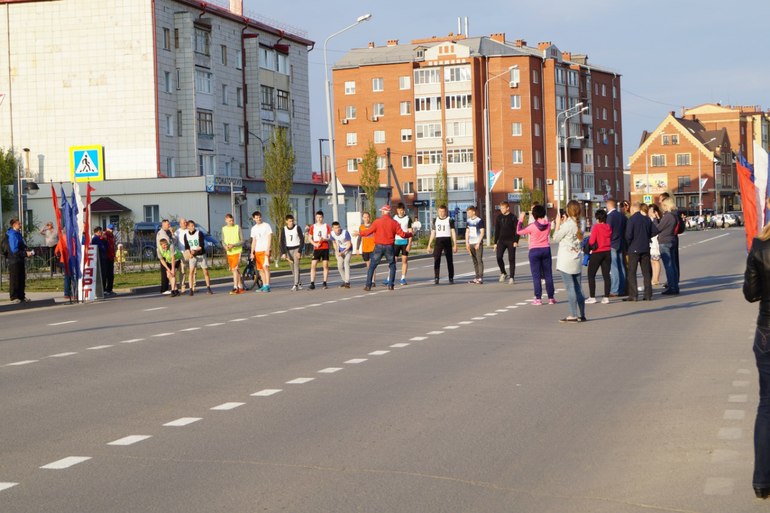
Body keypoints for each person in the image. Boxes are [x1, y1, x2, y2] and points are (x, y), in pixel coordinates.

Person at [743, 222, 770, 499]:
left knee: (767, 405)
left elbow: (750, 294)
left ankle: (762, 481)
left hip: (767, 331)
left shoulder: (760, 245)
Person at [359, 204, 413, 291]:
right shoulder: (394, 223)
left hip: (378, 246)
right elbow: (402, 234)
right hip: (389, 246)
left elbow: (368, 232)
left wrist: (360, 233)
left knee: (372, 266)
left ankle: (368, 285)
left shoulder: (377, 222)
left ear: (383, 212)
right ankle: (391, 285)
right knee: (392, 265)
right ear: (389, 212)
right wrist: (410, 234)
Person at [553, 201, 586, 322]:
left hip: (566, 260)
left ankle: (573, 314)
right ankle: (582, 314)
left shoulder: (567, 225)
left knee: (570, 288)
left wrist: (558, 224)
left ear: (568, 210)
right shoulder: (581, 223)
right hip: (576, 259)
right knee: (578, 288)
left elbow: (555, 238)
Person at [517, 205, 555, 305]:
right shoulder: (548, 225)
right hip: (546, 249)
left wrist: (521, 219)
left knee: (536, 275)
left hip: (534, 251)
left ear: (534, 215)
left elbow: (519, 231)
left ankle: (538, 299)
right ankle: (551, 298)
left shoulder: (532, 226)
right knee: (548, 274)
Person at [624, 202, 657, 301]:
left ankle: (633, 295)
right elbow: (655, 231)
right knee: (646, 272)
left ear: (633, 209)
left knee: (632, 272)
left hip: (633, 249)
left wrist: (628, 245)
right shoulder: (646, 219)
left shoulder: (631, 220)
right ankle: (648, 294)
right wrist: (646, 237)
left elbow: (628, 235)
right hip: (645, 248)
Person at [585, 208, 612, 304]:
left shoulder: (596, 227)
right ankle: (606, 297)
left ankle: (592, 297)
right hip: (607, 252)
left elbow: (592, 241)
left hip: (597, 252)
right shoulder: (608, 227)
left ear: (598, 218)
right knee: (606, 275)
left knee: (591, 274)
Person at [426, 205, 457, 285]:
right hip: (438, 240)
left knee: (449, 260)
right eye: (440, 211)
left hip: (447, 240)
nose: (441, 213)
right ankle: (436, 277)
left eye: (443, 211)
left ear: (446, 212)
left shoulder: (450, 220)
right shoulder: (435, 220)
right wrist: (429, 244)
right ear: (438, 212)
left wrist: (455, 244)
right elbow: (433, 232)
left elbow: (453, 232)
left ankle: (451, 277)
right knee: (436, 259)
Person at [6, 218, 34, 303]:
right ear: (14, 225)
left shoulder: (18, 233)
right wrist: (25, 253)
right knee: (15, 279)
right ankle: (14, 297)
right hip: (14, 260)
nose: (21, 225)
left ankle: (21, 296)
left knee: (21, 278)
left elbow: (22, 245)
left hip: (20, 259)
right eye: (19, 224)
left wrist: (28, 250)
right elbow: (14, 250)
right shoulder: (12, 234)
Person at [183, 220, 213, 295]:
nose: (193, 227)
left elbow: (201, 245)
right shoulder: (186, 235)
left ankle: (208, 288)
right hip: (192, 255)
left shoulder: (199, 233)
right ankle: (191, 289)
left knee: (205, 271)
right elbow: (187, 246)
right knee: (191, 271)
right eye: (191, 226)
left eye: (194, 225)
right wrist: (189, 253)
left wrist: (195, 251)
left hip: (200, 254)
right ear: (188, 227)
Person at [657, 197, 680, 295]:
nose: (662, 208)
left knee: (669, 266)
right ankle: (675, 286)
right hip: (672, 240)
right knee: (673, 265)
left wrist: (655, 220)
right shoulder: (675, 215)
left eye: (663, 205)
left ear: (666, 205)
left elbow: (658, 228)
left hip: (665, 241)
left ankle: (672, 287)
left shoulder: (668, 216)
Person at [494, 201, 520, 284]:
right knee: (499, 257)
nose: (501, 210)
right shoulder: (499, 217)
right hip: (501, 241)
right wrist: (495, 243)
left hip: (511, 241)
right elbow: (497, 230)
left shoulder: (513, 217)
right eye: (500, 208)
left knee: (511, 258)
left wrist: (516, 240)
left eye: (503, 208)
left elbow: (517, 230)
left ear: (507, 208)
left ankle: (512, 277)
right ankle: (503, 272)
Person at [606, 199, 627, 297]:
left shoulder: (610, 216)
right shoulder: (621, 215)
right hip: (621, 242)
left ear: (608, 205)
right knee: (621, 266)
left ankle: (615, 289)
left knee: (614, 267)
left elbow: (608, 230)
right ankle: (622, 288)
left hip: (612, 243)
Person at [249, 211, 272, 293]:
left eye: (259, 217)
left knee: (265, 267)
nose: (258, 219)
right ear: (254, 219)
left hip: (265, 250)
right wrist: (252, 252)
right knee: (260, 269)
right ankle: (264, 285)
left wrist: (268, 249)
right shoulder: (254, 228)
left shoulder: (266, 225)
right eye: (256, 218)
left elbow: (269, 237)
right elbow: (254, 241)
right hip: (257, 250)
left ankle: (267, 285)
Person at [280, 214, 305, 291]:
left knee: (296, 265)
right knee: (292, 268)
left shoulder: (297, 228)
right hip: (288, 250)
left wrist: (299, 251)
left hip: (297, 249)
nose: (291, 222)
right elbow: (282, 241)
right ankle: (299, 282)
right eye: (290, 221)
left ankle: (295, 284)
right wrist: (283, 253)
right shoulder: (284, 229)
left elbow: (302, 240)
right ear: (286, 221)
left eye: (292, 221)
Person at [390, 203, 413, 286]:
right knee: (393, 261)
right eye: (399, 210)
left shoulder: (408, 219)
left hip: (404, 242)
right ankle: (389, 278)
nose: (400, 212)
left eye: (402, 210)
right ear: (397, 210)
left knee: (404, 260)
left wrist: (409, 244)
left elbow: (410, 232)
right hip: (396, 242)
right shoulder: (394, 218)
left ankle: (403, 278)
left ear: (404, 210)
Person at [222, 213, 245, 294]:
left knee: (235, 269)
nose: (231, 222)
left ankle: (235, 287)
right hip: (229, 252)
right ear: (226, 220)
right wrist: (225, 246)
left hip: (237, 251)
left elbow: (242, 240)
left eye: (232, 220)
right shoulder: (224, 229)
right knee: (234, 270)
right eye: (229, 221)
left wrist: (234, 245)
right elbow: (223, 240)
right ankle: (240, 286)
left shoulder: (237, 227)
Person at [308, 211, 331, 290]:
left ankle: (324, 282)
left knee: (325, 265)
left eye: (320, 217)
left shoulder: (326, 226)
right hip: (317, 248)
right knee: (313, 265)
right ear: (315, 217)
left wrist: (324, 239)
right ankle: (312, 283)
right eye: (317, 217)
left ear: (323, 217)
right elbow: (309, 238)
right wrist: (314, 244)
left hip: (325, 247)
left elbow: (329, 237)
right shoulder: (313, 227)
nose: (319, 219)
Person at [465, 205, 485, 284]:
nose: (468, 214)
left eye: (469, 212)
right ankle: (476, 277)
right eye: (467, 213)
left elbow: (482, 232)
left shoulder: (479, 220)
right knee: (475, 261)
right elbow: (467, 232)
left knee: (479, 260)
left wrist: (478, 243)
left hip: (477, 243)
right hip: (471, 243)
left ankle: (480, 277)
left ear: (473, 212)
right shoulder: (468, 221)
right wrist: (467, 242)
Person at [356, 211, 377, 288]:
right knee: (368, 265)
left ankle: (373, 281)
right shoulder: (361, 227)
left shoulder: (373, 226)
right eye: (365, 217)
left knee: (372, 265)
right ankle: (370, 279)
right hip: (365, 248)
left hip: (373, 247)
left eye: (367, 217)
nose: (366, 218)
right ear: (362, 218)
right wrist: (357, 248)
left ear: (369, 217)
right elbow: (359, 238)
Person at [156, 219, 175, 295]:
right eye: (168, 224)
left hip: (166, 253)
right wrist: (171, 234)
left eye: (169, 224)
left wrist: (172, 233)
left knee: (167, 271)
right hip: (164, 254)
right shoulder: (162, 233)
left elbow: (174, 241)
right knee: (165, 271)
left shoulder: (166, 232)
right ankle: (164, 289)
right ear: (163, 224)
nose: (169, 226)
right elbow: (169, 242)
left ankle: (166, 288)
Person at [330, 221, 352, 288]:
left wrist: (343, 252)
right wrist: (336, 251)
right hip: (340, 249)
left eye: (338, 227)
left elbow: (349, 244)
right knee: (339, 266)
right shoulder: (332, 233)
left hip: (348, 249)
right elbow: (334, 243)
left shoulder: (345, 233)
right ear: (333, 229)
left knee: (346, 262)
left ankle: (347, 282)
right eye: (336, 228)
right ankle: (344, 280)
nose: (338, 229)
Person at [648, 204, 663, 286]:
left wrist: (655, 218)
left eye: (652, 210)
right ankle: (653, 278)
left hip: (656, 241)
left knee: (656, 260)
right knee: (652, 260)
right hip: (650, 242)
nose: (650, 212)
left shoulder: (657, 219)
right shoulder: (648, 218)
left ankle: (656, 279)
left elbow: (657, 228)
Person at [90, 226, 108, 293]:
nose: (101, 232)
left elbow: (107, 246)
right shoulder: (96, 239)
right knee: (102, 274)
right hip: (100, 258)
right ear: (97, 232)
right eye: (100, 231)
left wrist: (105, 240)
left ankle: (104, 288)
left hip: (103, 257)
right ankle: (102, 289)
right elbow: (102, 248)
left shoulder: (101, 238)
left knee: (104, 274)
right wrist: (103, 242)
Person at [174, 217, 188, 293]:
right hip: (181, 253)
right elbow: (174, 242)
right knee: (182, 270)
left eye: (186, 222)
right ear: (180, 224)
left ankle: (193, 286)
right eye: (184, 222)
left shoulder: (189, 230)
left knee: (192, 270)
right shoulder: (177, 232)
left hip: (189, 252)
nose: (185, 224)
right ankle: (182, 286)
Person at [103, 224, 117, 297]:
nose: (111, 230)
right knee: (105, 274)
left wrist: (114, 255)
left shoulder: (112, 236)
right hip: (106, 257)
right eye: (110, 229)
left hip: (111, 257)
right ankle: (104, 290)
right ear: (107, 229)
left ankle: (110, 289)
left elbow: (113, 247)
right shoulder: (104, 236)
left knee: (111, 275)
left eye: (112, 229)